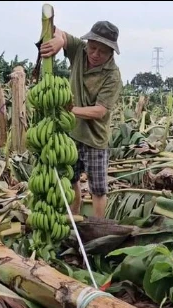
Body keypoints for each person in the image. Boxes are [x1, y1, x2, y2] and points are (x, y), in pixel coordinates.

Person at [39, 21, 123, 219]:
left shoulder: (112, 75)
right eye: (93, 47)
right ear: (88, 43)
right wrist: (59, 39)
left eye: (102, 51)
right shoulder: (79, 50)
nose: (95, 54)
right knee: (71, 179)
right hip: (72, 133)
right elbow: (54, 28)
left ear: (111, 52)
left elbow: (100, 111)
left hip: (94, 139)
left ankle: (98, 226)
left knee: (98, 188)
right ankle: (74, 215)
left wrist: (69, 109)